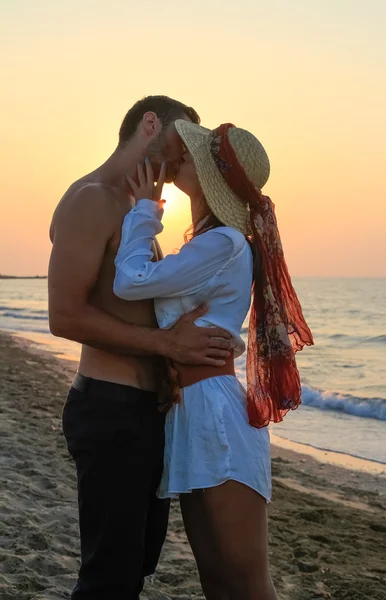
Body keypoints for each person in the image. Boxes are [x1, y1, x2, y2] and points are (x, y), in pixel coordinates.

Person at [113, 120, 314, 600]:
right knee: (216, 578)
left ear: (212, 178)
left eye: (195, 156)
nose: (181, 155)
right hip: (193, 409)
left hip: (218, 417)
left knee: (245, 580)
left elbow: (131, 282)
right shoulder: (207, 242)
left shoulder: (223, 243)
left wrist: (145, 211)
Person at [48, 96, 233, 600]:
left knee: (136, 566)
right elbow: (64, 315)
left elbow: (138, 301)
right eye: (183, 140)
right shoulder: (95, 198)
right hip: (109, 409)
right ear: (151, 124)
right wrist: (166, 342)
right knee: (109, 578)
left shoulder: (137, 207)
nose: (185, 156)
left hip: (144, 413)